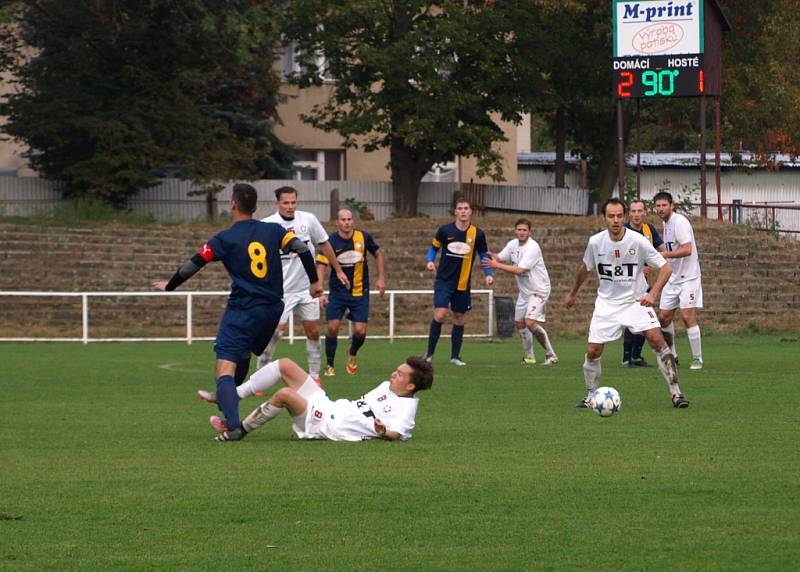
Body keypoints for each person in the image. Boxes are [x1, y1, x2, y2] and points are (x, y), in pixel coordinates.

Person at [154, 183, 322, 435]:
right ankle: (227, 400)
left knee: (224, 368)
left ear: (232, 204)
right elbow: (301, 248)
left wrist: (169, 286)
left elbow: (193, 265)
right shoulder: (274, 230)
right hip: (272, 309)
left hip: (243, 309)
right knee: (242, 355)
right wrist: (315, 282)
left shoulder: (224, 238)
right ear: (255, 207)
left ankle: (232, 426)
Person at [564, 198, 689, 409]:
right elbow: (585, 269)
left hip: (635, 301)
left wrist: (653, 294)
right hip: (606, 304)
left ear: (625, 217)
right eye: (611, 216)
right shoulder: (596, 242)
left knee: (657, 340)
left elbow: (666, 268)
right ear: (604, 218)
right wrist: (573, 293)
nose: (615, 220)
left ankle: (676, 394)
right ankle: (591, 396)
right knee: (593, 351)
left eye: (619, 216)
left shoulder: (638, 241)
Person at [198, 356, 433, 442]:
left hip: (327, 424)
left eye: (400, 374)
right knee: (285, 365)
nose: (393, 374)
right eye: (396, 369)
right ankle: (230, 397)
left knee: (284, 395)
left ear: (411, 385)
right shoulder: (387, 386)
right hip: (330, 406)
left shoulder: (406, 407)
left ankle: (237, 429)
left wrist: (384, 432)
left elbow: (398, 433)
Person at [257, 186, 350, 380]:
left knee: (314, 331)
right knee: (274, 334)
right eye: (286, 203)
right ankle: (260, 373)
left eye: (293, 202)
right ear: (278, 203)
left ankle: (315, 376)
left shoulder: (308, 219)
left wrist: (338, 269)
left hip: (307, 288)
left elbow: (324, 244)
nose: (290, 207)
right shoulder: (267, 225)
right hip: (279, 292)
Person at [316, 208, 386, 377]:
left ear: (353, 221)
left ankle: (352, 352)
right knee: (332, 327)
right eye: (343, 219)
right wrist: (320, 291)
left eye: (349, 219)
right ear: (337, 222)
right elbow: (322, 266)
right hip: (338, 293)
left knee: (361, 331)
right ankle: (330, 364)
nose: (346, 223)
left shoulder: (363, 237)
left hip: (360, 292)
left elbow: (377, 253)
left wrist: (381, 278)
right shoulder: (330, 242)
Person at [424, 197, 493, 366]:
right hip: (444, 281)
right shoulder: (444, 230)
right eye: (460, 208)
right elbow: (433, 248)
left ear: (470, 212)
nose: (463, 211)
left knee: (459, 317)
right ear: (455, 212)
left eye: (466, 208)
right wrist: (430, 261)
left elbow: (484, 255)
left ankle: (455, 357)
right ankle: (429, 355)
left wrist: (488, 273)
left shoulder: (478, 234)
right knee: (440, 314)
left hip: (463, 283)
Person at [483, 218, 558, 366]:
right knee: (519, 323)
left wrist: (496, 265)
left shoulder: (533, 248)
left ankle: (551, 355)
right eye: (519, 229)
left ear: (530, 232)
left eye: (525, 230)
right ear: (515, 230)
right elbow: (499, 257)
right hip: (525, 292)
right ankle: (529, 356)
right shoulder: (512, 244)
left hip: (539, 290)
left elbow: (519, 270)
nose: (522, 232)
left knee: (530, 322)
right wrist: (487, 253)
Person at [654, 191, 704, 370]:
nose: (661, 209)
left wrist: (665, 254)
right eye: (658, 206)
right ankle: (672, 355)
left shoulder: (680, 222)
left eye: (664, 205)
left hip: (688, 277)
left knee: (686, 315)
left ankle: (697, 358)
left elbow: (687, 249)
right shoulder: (665, 223)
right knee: (664, 317)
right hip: (673, 277)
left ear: (672, 205)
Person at [622, 199, 665, 368]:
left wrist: (652, 265)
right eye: (633, 211)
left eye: (640, 211)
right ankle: (627, 359)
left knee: (643, 319)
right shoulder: (624, 231)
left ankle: (636, 356)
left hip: (644, 284)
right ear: (629, 214)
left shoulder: (649, 230)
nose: (636, 214)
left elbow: (661, 252)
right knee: (633, 319)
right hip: (626, 284)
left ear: (645, 213)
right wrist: (640, 268)